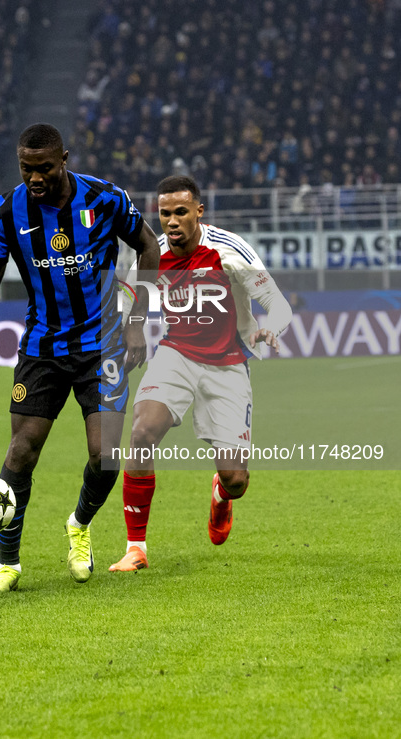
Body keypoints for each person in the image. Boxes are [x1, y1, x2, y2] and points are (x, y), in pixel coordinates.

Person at [0, 123, 160, 594]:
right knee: (21, 452)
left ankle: (79, 524)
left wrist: (139, 317)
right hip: (42, 348)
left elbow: (148, 245)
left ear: (64, 158)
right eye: (26, 168)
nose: (35, 177)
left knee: (105, 456)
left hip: (103, 345)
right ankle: (8, 565)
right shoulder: (6, 210)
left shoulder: (105, 198)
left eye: (44, 168)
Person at [109, 175, 292, 572]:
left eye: (180, 212)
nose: (171, 221)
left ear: (198, 212)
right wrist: (134, 326)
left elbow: (277, 304)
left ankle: (221, 495)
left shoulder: (230, 251)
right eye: (164, 214)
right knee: (142, 433)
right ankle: (135, 547)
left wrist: (270, 328)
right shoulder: (151, 253)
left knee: (236, 480)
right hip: (176, 354)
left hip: (227, 363)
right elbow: (131, 297)